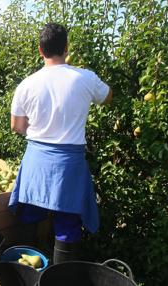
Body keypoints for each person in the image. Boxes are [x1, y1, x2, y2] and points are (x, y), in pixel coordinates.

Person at [9, 23, 112, 264]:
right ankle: (60, 277)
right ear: (67, 48)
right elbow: (107, 97)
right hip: (69, 164)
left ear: (39, 50)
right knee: (67, 223)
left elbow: (17, 127)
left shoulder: (26, 84)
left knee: (30, 215)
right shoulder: (85, 78)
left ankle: (24, 271)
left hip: (37, 159)